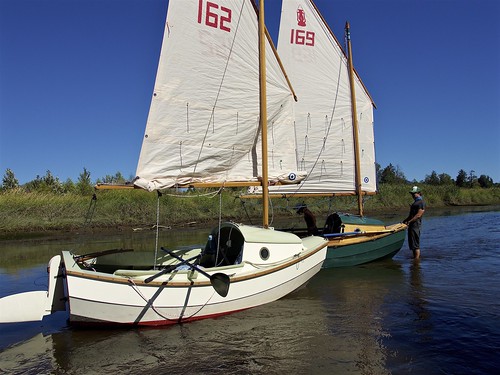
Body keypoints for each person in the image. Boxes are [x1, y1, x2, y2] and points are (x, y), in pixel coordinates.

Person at [403, 186, 426, 259]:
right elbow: (411, 215)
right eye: (412, 193)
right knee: (413, 244)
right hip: (412, 225)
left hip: (415, 225)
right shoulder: (415, 202)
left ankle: (416, 260)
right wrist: (405, 221)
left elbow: (418, 215)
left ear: (419, 193)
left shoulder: (421, 202)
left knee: (415, 245)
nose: (412, 195)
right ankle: (415, 259)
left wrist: (409, 221)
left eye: (414, 193)